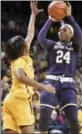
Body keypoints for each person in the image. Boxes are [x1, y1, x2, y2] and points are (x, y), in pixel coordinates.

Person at [2, 1, 55, 134]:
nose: (26, 42)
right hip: (20, 100)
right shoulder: (20, 60)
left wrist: (33, 15)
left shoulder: (21, 55)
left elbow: (30, 34)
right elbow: (20, 76)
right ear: (22, 49)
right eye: (23, 42)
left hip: (10, 101)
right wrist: (44, 87)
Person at [37, 2, 82, 134]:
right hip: (50, 83)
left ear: (71, 34)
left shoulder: (75, 47)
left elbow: (80, 37)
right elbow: (40, 38)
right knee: (44, 117)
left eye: (65, 30)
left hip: (67, 84)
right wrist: (50, 20)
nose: (61, 31)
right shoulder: (52, 45)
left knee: (74, 120)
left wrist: (70, 17)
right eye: (59, 30)